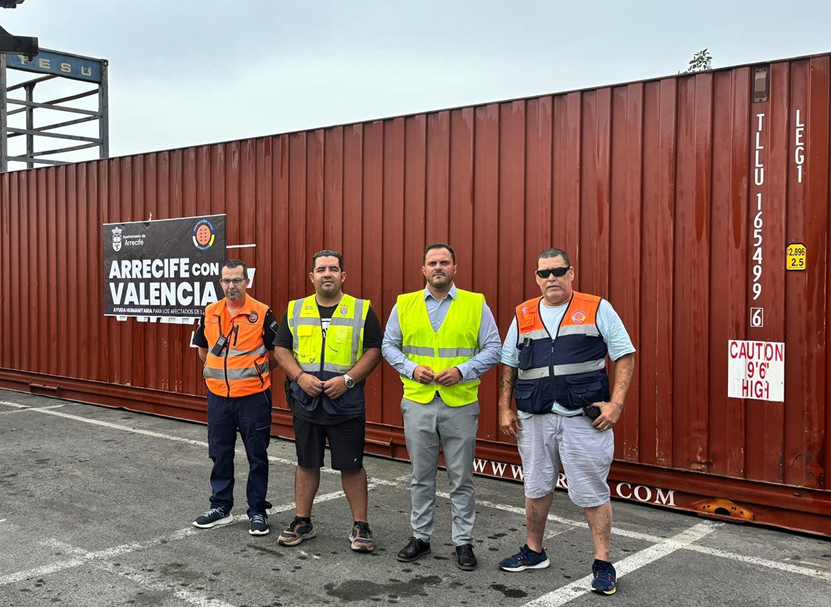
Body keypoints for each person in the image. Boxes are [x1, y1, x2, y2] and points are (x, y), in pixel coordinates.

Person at [496, 248, 636, 596]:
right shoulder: (523, 313)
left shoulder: (597, 307)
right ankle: (534, 551)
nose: (551, 278)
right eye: (544, 273)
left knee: (591, 490)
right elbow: (509, 364)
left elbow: (625, 354)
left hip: (582, 418)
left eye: (558, 271)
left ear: (571, 273)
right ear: (536, 278)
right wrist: (504, 407)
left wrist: (616, 404)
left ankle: (603, 563)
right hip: (534, 417)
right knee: (536, 486)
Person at [381, 243, 501, 570]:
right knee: (422, 476)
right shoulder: (404, 304)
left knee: (461, 478)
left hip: (460, 403)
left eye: (444, 262)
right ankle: (421, 538)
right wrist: (411, 368)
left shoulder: (476, 304)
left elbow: (494, 348)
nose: (438, 267)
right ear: (423, 269)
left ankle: (463, 543)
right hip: (419, 401)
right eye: (432, 263)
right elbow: (388, 345)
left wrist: (463, 370)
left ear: (454, 268)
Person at [271, 250, 384, 552]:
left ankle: (361, 526)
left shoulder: (361, 309)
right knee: (306, 463)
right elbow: (281, 348)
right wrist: (299, 377)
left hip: (345, 403)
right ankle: (302, 521)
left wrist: (347, 380)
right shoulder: (296, 309)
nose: (327, 274)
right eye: (321, 269)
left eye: (333, 269)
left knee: (352, 466)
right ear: (312, 277)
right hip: (306, 402)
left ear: (343, 276)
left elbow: (374, 349)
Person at [191, 259, 279, 536]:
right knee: (220, 453)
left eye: (237, 280)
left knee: (257, 455)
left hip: (253, 397)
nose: (231, 285)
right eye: (226, 281)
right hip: (218, 397)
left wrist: (255, 372)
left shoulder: (262, 313)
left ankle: (257, 511)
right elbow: (203, 349)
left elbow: (276, 353)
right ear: (221, 283)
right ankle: (220, 507)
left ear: (247, 282)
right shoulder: (210, 312)